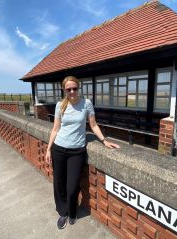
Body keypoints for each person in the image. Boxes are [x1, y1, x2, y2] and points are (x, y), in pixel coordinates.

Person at [45, 76, 120, 230]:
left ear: (79, 88)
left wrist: (104, 141)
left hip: (77, 151)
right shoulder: (60, 105)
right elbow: (55, 129)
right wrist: (48, 149)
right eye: (68, 89)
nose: (72, 91)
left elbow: (93, 125)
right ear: (64, 90)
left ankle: (72, 211)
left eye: (75, 88)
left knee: (72, 186)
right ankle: (63, 212)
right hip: (58, 148)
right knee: (59, 184)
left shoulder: (86, 104)